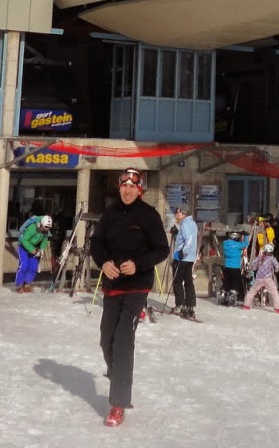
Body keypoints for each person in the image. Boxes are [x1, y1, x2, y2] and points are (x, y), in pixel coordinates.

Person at [90, 167, 169, 428]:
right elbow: (97, 243)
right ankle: (118, 373)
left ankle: (118, 403)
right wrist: (103, 263)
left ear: (140, 189)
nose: (127, 190)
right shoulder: (110, 214)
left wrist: (139, 264)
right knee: (106, 338)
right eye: (124, 185)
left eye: (132, 186)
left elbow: (161, 249)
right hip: (113, 285)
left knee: (123, 338)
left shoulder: (148, 215)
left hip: (137, 286)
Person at [170, 207, 199, 317]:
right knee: (188, 282)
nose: (176, 216)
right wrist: (176, 233)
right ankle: (190, 306)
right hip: (190, 258)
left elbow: (189, 239)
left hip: (181, 258)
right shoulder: (192, 223)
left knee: (177, 282)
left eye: (177, 213)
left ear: (183, 214)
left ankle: (180, 305)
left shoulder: (185, 224)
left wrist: (184, 251)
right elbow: (186, 238)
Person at [242, 241, 279, 312]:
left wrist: (255, 268)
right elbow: (277, 266)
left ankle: (246, 305)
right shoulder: (272, 258)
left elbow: (253, 264)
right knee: (274, 292)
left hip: (259, 278)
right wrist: (276, 270)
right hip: (268, 278)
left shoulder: (260, 257)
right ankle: (277, 308)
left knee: (252, 291)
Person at [16, 213, 52, 292]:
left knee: (33, 267)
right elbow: (24, 240)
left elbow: (44, 240)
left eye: (48, 228)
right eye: (45, 227)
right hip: (23, 247)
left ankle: (27, 284)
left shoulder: (45, 231)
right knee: (24, 265)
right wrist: (31, 249)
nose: (46, 230)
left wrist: (42, 249)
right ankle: (19, 285)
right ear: (41, 224)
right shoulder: (33, 228)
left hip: (35, 249)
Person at [220, 229, 247, 305]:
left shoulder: (225, 244)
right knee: (235, 282)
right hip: (235, 267)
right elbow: (245, 244)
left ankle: (224, 291)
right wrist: (246, 236)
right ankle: (232, 294)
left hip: (226, 266)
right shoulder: (237, 245)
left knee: (227, 281)